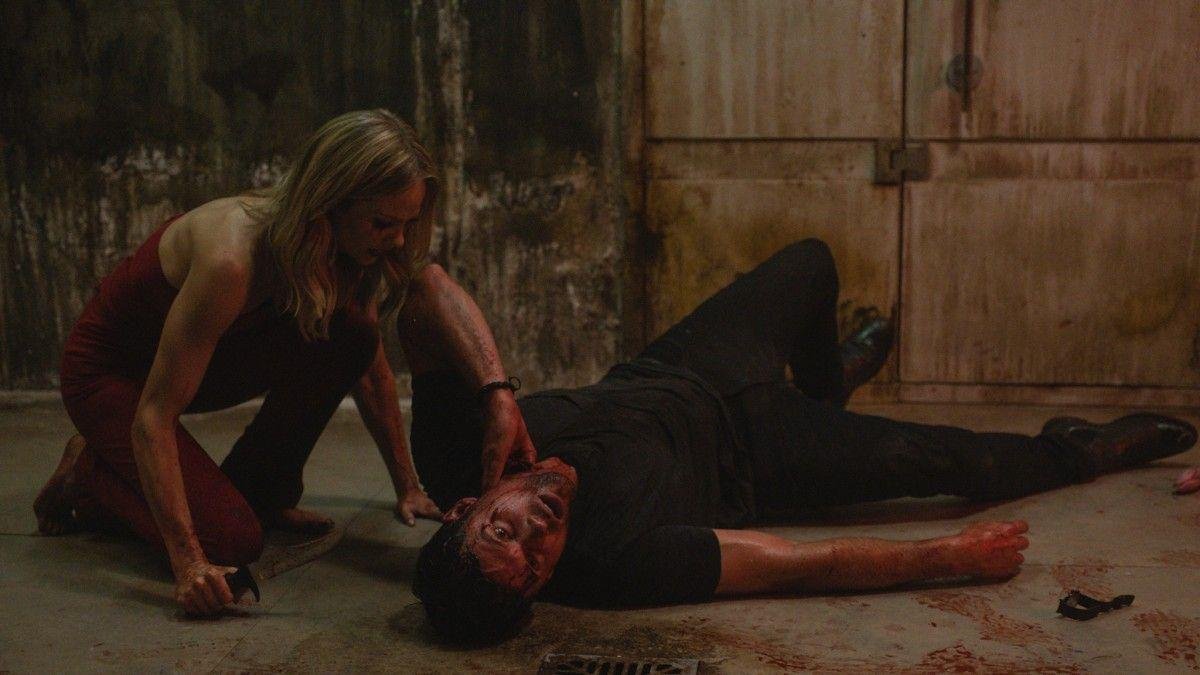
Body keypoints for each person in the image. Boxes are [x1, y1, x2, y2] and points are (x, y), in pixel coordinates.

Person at [410, 239, 1197, 643]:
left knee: (813, 262)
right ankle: (1082, 448)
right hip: (759, 452)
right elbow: (789, 561)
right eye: (536, 562)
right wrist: (945, 555)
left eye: (503, 529)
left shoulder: (458, 453)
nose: (538, 529)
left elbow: (423, 287)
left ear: (463, 507)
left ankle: (825, 384)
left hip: (677, 366)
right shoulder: (618, 562)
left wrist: (496, 390)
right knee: (960, 461)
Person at [33, 109, 536, 617]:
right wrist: (189, 563)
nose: (399, 241)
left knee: (351, 335)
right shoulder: (231, 259)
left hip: (199, 360)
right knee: (231, 542)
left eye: (407, 224)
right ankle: (88, 473)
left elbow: (367, 364)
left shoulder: (344, 248)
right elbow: (154, 415)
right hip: (113, 373)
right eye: (384, 223)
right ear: (330, 201)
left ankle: (265, 492)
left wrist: (407, 486)